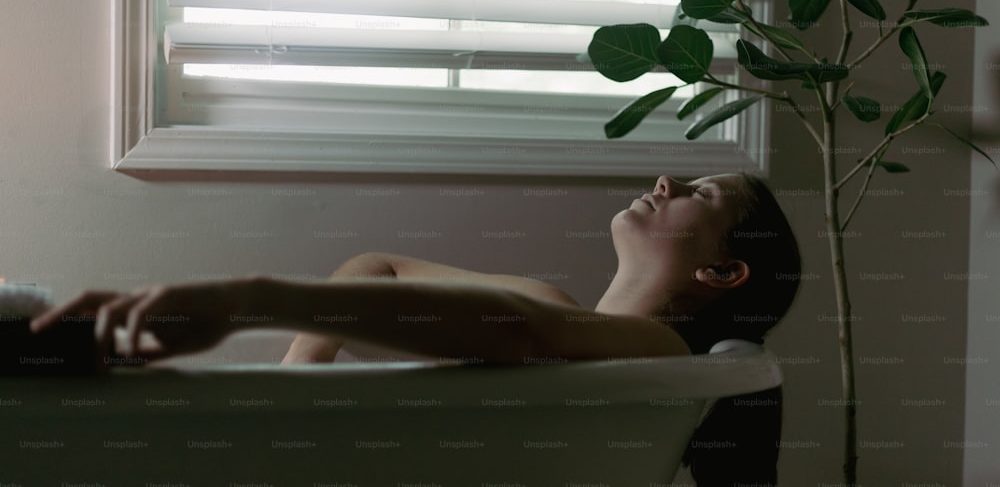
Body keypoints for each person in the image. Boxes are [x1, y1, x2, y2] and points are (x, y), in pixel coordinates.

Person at [30, 172, 801, 486]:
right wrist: (295, 389)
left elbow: (523, 336)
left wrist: (249, 299)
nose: (663, 182)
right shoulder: (546, 301)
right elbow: (378, 265)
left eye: (698, 192)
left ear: (724, 272)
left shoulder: (664, 355)